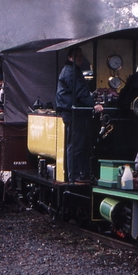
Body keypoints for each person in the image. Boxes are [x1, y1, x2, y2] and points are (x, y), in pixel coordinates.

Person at [56, 47, 103, 183]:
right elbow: (80, 91)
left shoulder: (72, 71)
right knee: (76, 145)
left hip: (75, 111)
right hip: (73, 112)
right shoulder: (70, 73)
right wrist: (93, 104)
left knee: (80, 144)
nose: (80, 59)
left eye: (81, 57)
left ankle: (83, 174)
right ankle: (75, 175)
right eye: (78, 57)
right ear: (70, 57)